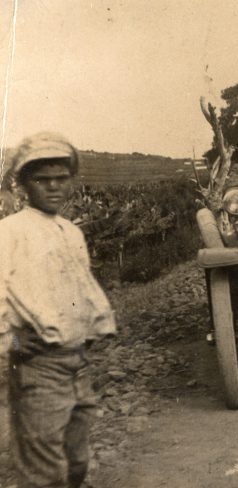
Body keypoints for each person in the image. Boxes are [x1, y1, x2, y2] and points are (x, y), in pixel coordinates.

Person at [0, 132, 116, 487]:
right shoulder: (10, 232)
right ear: (23, 184)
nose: (53, 187)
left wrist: (90, 331)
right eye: (42, 179)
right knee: (44, 471)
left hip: (76, 362)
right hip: (37, 366)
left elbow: (81, 289)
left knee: (77, 461)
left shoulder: (70, 232)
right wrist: (11, 341)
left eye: (61, 178)